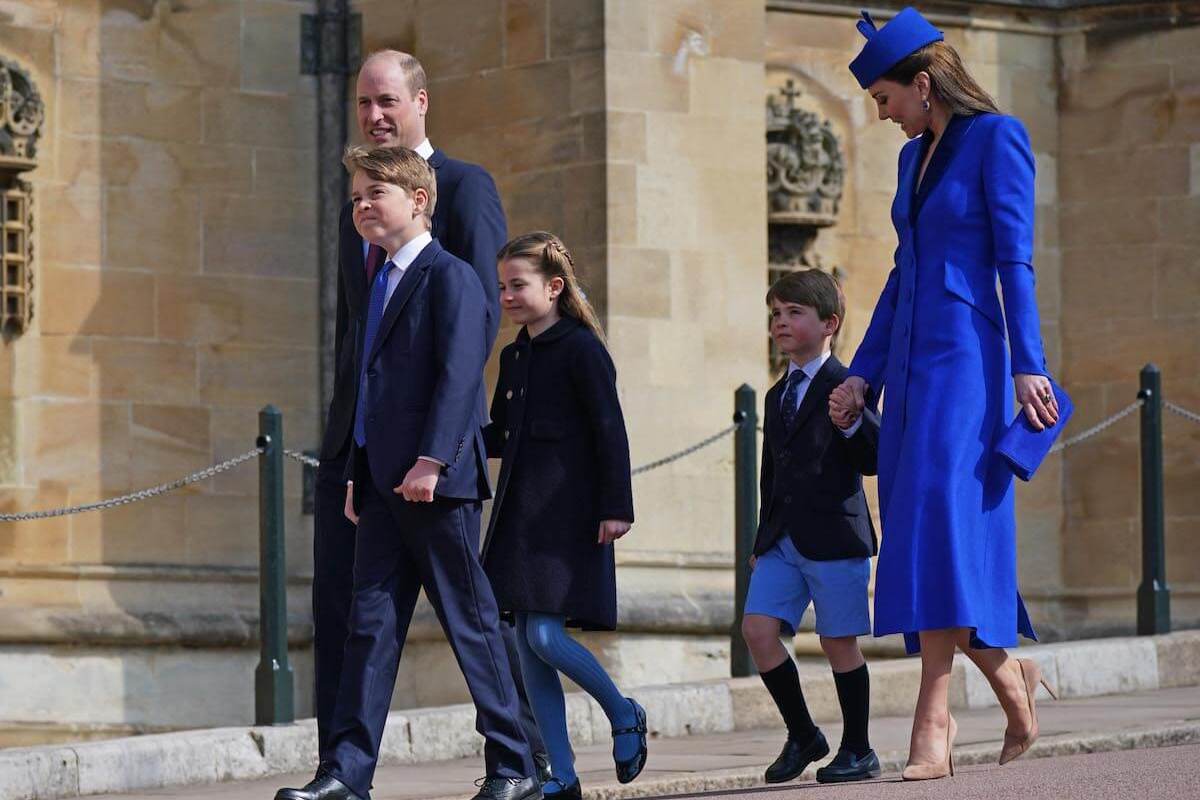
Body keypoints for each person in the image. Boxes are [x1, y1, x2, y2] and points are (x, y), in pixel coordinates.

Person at [830, 7, 1060, 782]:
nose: (882, 114)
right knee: (919, 530)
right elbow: (903, 273)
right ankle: (1007, 674)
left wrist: (1028, 364)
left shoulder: (999, 139)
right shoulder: (909, 162)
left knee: (938, 523)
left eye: (886, 99)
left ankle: (935, 716)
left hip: (969, 361)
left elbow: (1015, 261)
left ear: (923, 85)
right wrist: (862, 371)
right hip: (911, 362)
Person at [275, 146, 540, 800]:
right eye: (358, 196)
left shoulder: (449, 276)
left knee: (470, 624)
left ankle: (515, 766)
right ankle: (347, 773)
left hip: (435, 484)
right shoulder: (380, 282)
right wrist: (356, 478)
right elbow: (369, 387)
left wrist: (432, 459)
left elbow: (458, 375)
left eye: (376, 194)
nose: (362, 205)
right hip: (379, 487)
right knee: (369, 629)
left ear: (418, 201)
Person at [481, 232, 647, 800]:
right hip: (519, 516)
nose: (507, 296)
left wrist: (615, 506)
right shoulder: (514, 356)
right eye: (502, 286)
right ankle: (563, 775)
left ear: (554, 287)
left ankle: (624, 712)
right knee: (527, 646)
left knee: (546, 637)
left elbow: (610, 431)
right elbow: (500, 436)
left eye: (518, 285)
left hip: (569, 514)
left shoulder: (582, 349)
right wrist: (443, 446)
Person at [741, 270, 881, 785]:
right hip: (782, 540)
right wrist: (761, 540)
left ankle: (859, 749)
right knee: (758, 630)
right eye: (775, 313)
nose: (781, 321)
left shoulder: (848, 384)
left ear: (829, 323)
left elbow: (872, 457)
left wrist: (852, 421)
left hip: (834, 537)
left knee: (838, 642)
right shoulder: (776, 394)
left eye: (794, 312)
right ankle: (803, 734)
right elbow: (770, 474)